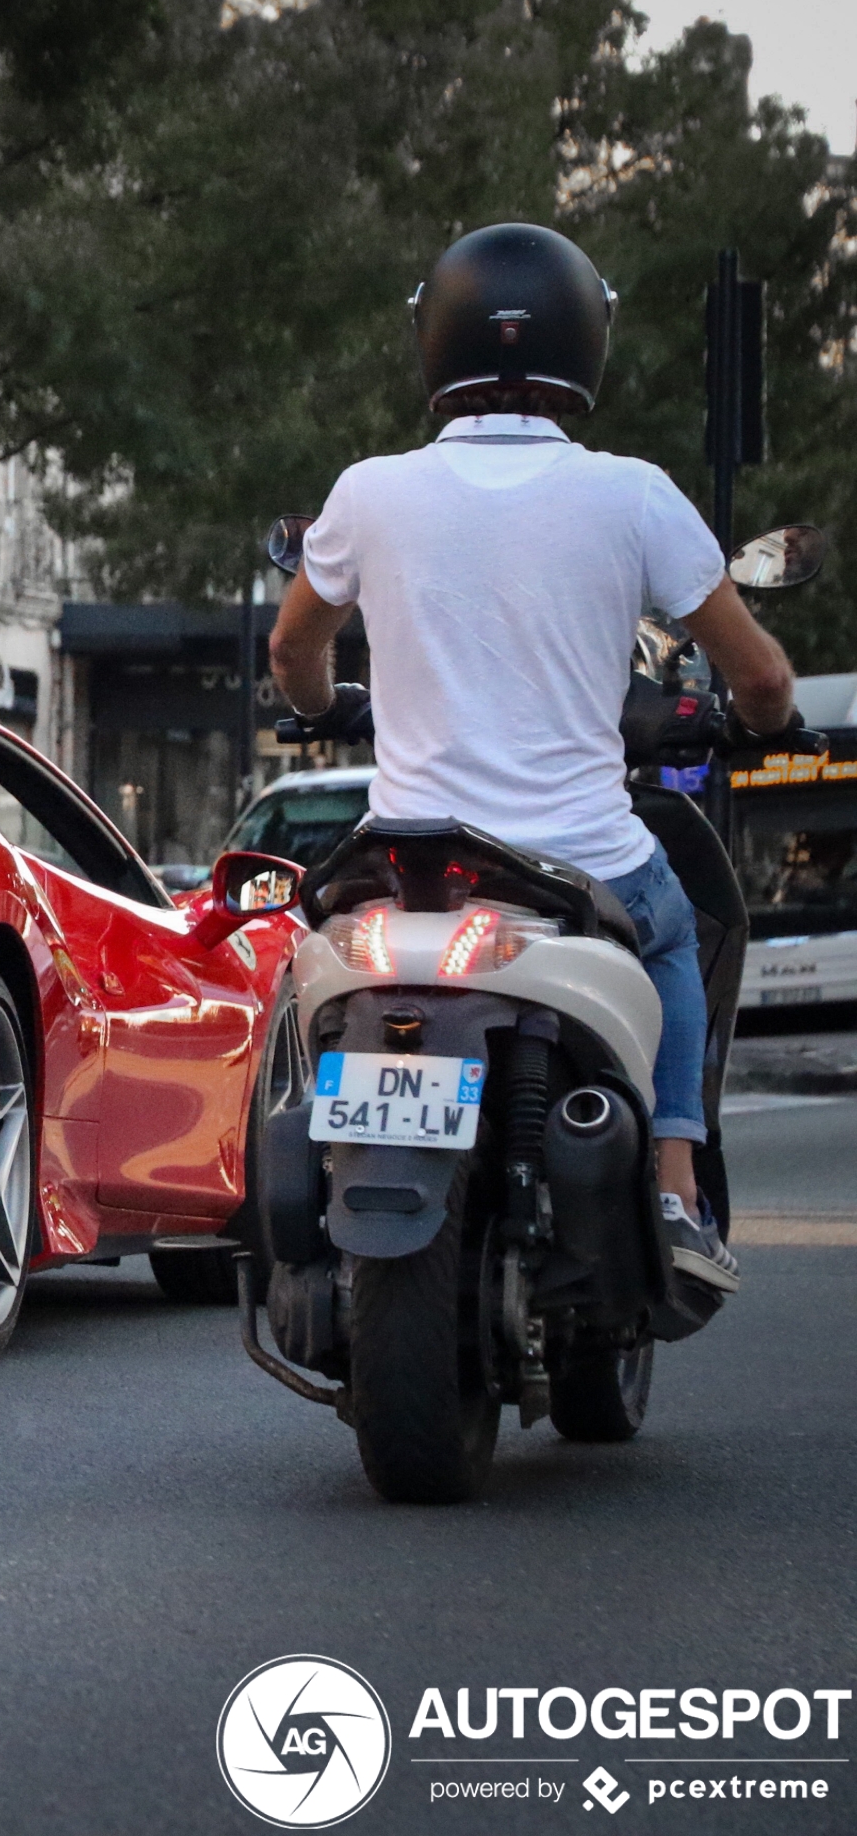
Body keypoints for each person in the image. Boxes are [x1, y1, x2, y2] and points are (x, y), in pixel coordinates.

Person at [270, 221, 798, 1295]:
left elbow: (291, 650)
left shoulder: (367, 492)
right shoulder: (636, 494)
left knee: (306, 968)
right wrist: (758, 722)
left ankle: (304, 1157)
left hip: (410, 862)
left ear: (437, 339)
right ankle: (670, 1185)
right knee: (676, 940)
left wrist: (323, 707)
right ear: (582, 339)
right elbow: (761, 679)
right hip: (583, 861)